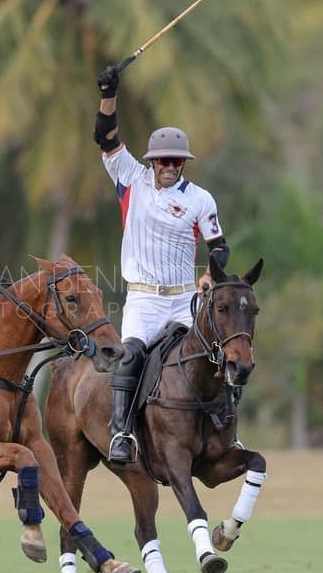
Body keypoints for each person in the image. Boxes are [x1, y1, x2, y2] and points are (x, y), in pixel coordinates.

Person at [92, 65, 230, 464]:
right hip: (144, 300)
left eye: (175, 161)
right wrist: (108, 92)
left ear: (183, 163)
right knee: (132, 354)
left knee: (219, 354)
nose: (168, 166)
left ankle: (225, 428)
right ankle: (121, 434)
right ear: (152, 161)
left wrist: (209, 273)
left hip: (184, 299)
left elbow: (219, 247)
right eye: (162, 160)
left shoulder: (200, 199)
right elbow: (105, 137)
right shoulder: (130, 179)